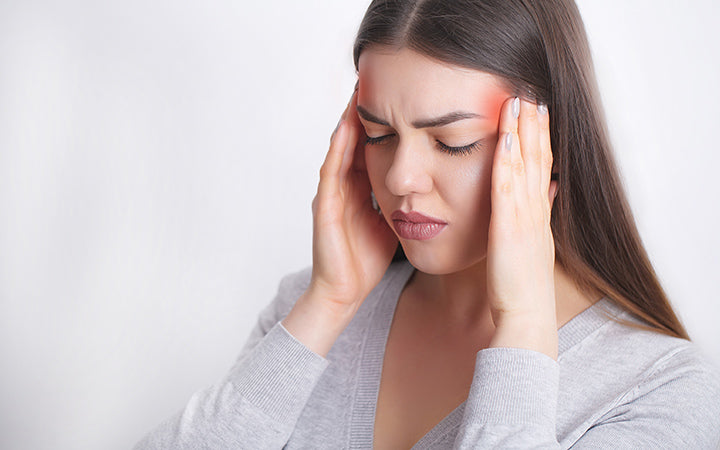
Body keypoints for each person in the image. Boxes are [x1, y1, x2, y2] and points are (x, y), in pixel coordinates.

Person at [135, 0, 720, 448]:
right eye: (379, 135)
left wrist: (522, 327)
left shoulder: (658, 392)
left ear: (553, 143)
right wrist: (327, 303)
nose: (400, 178)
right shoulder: (305, 315)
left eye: (453, 142)